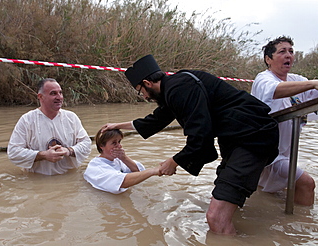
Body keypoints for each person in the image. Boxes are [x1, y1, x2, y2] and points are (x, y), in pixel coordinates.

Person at [101, 54, 279, 235]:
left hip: (252, 137)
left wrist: (174, 161)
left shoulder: (180, 89)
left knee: (216, 217)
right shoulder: (174, 88)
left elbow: (201, 137)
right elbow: (153, 121)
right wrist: (117, 125)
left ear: (147, 83)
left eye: (141, 91)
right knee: (223, 199)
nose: (145, 96)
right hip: (237, 138)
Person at [251, 36, 317, 206]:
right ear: (268, 59)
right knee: (307, 183)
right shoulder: (263, 79)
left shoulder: (297, 80)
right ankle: (302, 226)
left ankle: (282, 225)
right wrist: (313, 84)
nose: (288, 55)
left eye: (291, 51)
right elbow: (275, 91)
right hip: (267, 153)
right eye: (282, 52)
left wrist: (312, 85)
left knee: (269, 193)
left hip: (285, 153)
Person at [7, 78, 92, 175]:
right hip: (38, 180)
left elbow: (86, 144)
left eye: (60, 93)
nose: (59, 97)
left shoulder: (71, 117)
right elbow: (13, 152)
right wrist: (43, 155)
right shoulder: (27, 120)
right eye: (53, 93)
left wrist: (69, 151)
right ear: (41, 97)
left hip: (69, 177)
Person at [84, 128, 162, 194]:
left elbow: (138, 171)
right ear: (101, 146)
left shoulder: (117, 160)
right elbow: (122, 182)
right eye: (114, 143)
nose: (119, 146)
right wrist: (152, 171)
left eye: (119, 142)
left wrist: (124, 158)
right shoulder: (96, 167)